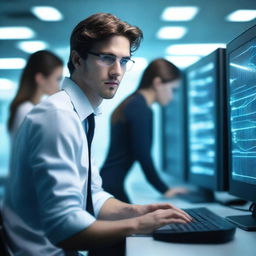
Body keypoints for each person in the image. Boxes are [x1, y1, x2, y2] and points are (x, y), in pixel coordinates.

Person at [2, 13, 191, 256]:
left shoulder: (81, 114)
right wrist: (137, 226)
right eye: (107, 58)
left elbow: (93, 195)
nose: (117, 72)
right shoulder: (58, 116)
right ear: (78, 60)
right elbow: (63, 227)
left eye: (124, 61)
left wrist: (139, 211)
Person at [101, 58, 188, 203]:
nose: (172, 97)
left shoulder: (134, 102)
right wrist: (164, 189)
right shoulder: (140, 108)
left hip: (109, 183)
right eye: (173, 90)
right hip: (111, 187)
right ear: (158, 83)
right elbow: (143, 155)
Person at [7, 50, 63, 138]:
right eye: (58, 79)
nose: (59, 86)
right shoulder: (26, 110)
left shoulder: (31, 108)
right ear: (40, 78)